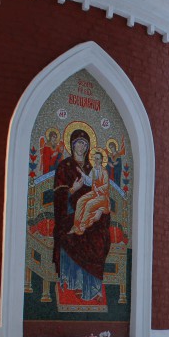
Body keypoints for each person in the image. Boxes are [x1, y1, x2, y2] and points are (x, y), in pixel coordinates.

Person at [53, 127, 111, 303]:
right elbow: (58, 195)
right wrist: (73, 189)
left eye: (84, 144)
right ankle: (74, 282)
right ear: (72, 145)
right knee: (76, 233)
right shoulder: (65, 166)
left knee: (100, 236)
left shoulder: (91, 167)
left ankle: (92, 286)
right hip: (68, 211)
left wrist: (100, 209)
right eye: (78, 143)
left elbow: (99, 191)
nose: (81, 147)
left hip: (89, 209)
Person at [69, 148, 110, 236]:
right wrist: (82, 173)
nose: (96, 160)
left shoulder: (104, 172)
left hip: (102, 196)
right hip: (94, 193)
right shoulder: (94, 170)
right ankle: (76, 224)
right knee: (80, 201)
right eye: (94, 158)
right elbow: (89, 181)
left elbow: (106, 185)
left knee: (89, 204)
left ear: (101, 160)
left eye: (98, 158)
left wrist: (98, 188)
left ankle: (83, 226)